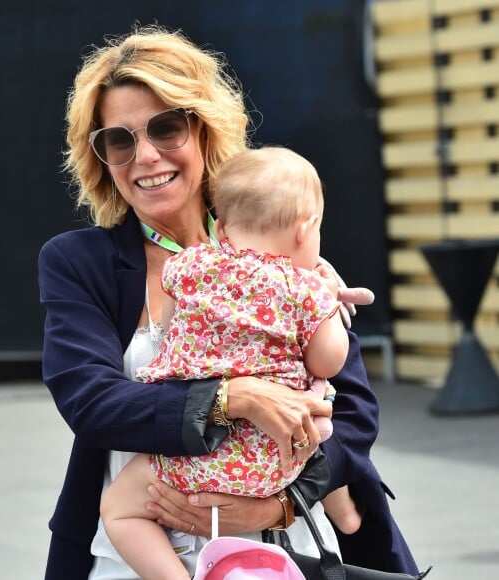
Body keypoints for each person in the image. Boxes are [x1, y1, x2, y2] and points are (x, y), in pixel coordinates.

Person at [38, 24, 420, 579]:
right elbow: (91, 403)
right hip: (126, 564)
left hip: (279, 555)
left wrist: (279, 504)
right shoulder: (78, 261)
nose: (145, 156)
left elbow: (353, 410)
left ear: (204, 129)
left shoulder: (278, 247)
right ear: (100, 156)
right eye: (119, 140)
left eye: (166, 129)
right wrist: (231, 397)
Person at [99, 146, 362, 579]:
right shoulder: (307, 287)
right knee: (319, 410)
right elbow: (330, 361)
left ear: (220, 228)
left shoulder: (191, 266)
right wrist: (328, 308)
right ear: (307, 229)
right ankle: (344, 508)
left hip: (189, 454)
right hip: (273, 457)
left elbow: (169, 314)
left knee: (120, 510)